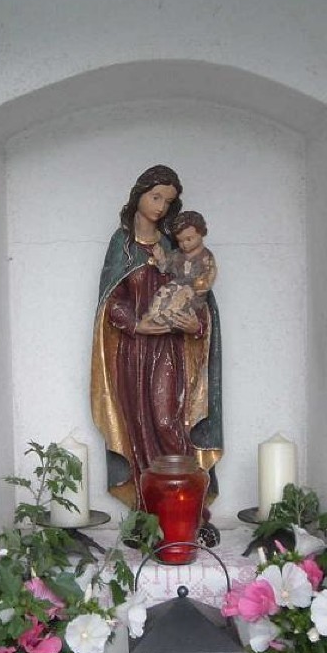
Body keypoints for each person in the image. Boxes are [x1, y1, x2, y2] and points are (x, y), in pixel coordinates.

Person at [90, 165, 223, 509]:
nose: (161, 206)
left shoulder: (172, 246)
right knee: (137, 428)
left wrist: (195, 324)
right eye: (156, 197)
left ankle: (187, 505)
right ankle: (150, 510)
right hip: (132, 352)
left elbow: (198, 295)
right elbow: (111, 301)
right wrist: (137, 324)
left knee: (166, 421)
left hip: (168, 348)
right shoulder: (122, 245)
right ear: (139, 194)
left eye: (168, 201)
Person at [144, 210, 217, 329]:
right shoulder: (177, 254)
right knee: (163, 292)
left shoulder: (206, 258)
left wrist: (196, 288)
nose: (184, 244)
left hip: (193, 295)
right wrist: (160, 259)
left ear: (201, 233)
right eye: (180, 241)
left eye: (189, 239)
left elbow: (208, 277)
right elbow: (165, 267)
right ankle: (155, 315)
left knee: (180, 299)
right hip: (175, 286)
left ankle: (169, 321)